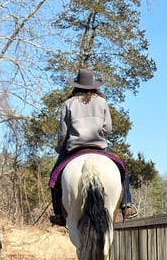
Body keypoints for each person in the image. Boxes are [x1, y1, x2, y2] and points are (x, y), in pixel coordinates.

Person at [49, 68, 138, 226]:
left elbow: (63, 132)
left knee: (54, 178)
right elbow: (108, 128)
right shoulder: (101, 102)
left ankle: (59, 214)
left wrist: (60, 148)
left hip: (74, 148)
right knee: (123, 169)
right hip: (98, 146)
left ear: (76, 85)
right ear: (93, 86)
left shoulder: (68, 104)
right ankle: (127, 205)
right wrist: (100, 133)